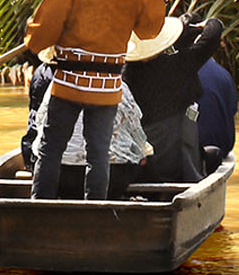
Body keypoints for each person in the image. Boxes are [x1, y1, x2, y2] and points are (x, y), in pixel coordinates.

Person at [21, 0, 166, 200]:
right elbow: (150, 29)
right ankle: (95, 210)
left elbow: (44, 28)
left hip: (69, 84)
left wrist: (31, 46)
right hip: (107, 86)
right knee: (98, 154)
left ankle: (40, 206)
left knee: (50, 149)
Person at [20, 62, 151, 197]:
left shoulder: (57, 85)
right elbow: (137, 134)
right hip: (112, 177)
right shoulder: (117, 86)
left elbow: (39, 125)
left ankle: (45, 205)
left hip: (59, 177)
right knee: (141, 157)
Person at [124, 14, 225, 182]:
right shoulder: (176, 66)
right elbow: (211, 38)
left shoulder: (125, 75)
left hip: (141, 168)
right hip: (175, 168)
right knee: (213, 153)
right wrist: (211, 23)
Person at [197, 52, 238, 171]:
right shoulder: (224, 75)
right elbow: (232, 110)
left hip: (193, 150)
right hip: (222, 146)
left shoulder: (180, 72)